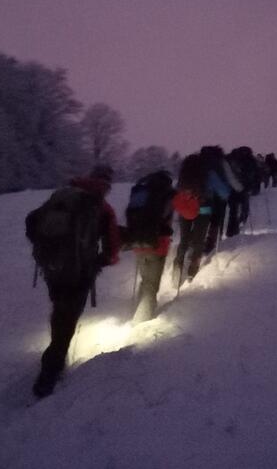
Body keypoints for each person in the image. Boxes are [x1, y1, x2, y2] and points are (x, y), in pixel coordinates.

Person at [32, 164, 120, 398]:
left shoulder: (62, 195)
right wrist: (100, 261)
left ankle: (55, 354)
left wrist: (49, 251)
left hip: (53, 267)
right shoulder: (102, 207)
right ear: (107, 184)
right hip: (79, 270)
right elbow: (112, 249)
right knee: (69, 316)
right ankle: (51, 369)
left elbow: (31, 223)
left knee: (60, 309)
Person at [125, 171, 175, 323]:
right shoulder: (166, 195)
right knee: (151, 285)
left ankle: (140, 311)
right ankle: (141, 321)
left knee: (145, 280)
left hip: (137, 242)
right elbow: (166, 217)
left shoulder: (141, 192)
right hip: (157, 244)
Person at [172, 152, 230, 285]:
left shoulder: (184, 172)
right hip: (203, 209)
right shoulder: (208, 172)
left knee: (184, 239)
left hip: (185, 209)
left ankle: (178, 264)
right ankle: (192, 271)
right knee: (199, 240)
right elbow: (223, 192)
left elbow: (178, 190)